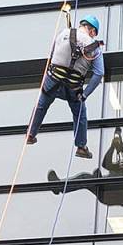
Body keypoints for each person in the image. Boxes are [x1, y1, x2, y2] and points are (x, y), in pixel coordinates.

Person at [26, 13, 105, 159]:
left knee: (41, 105)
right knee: (80, 113)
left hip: (53, 81)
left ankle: (30, 135)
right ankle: (81, 147)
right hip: (73, 87)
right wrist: (85, 94)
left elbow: (51, 56)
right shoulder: (94, 47)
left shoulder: (62, 33)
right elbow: (99, 74)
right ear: (92, 31)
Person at [46, 128, 123, 206]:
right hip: (107, 187)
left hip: (113, 193)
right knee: (86, 177)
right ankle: (59, 186)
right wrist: (113, 147)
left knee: (86, 177)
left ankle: (59, 187)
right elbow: (106, 164)